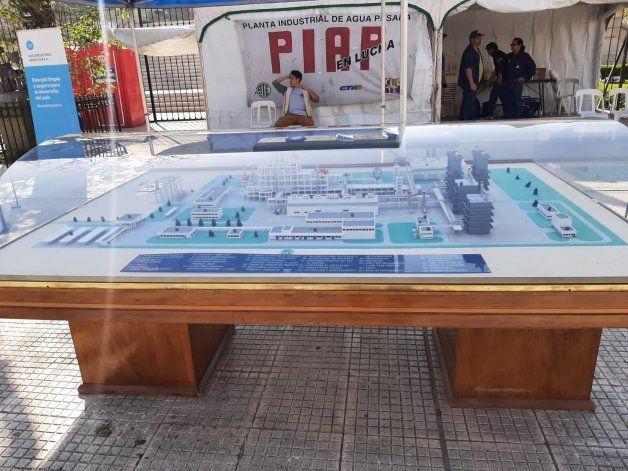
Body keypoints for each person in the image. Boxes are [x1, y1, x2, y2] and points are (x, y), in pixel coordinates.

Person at [501, 37, 536, 119]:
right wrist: (500, 76)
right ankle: (507, 118)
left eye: (514, 44)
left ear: (519, 45)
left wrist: (524, 77)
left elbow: (532, 68)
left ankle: (518, 119)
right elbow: (501, 67)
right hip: (507, 82)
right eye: (511, 44)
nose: (511, 46)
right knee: (506, 102)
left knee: (517, 101)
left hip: (517, 83)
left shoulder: (525, 56)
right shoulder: (508, 56)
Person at [457, 30, 484, 121]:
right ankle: (465, 120)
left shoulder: (475, 49)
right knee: (468, 101)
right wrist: (471, 82)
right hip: (469, 82)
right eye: (477, 38)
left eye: (480, 38)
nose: (480, 40)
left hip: (474, 80)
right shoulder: (469, 52)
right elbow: (468, 68)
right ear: (471, 40)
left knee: (471, 101)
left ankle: (469, 119)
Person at [483, 42, 506, 118]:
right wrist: (490, 81)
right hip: (503, 79)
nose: (488, 53)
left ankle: (489, 114)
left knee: (493, 96)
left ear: (492, 49)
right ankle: (508, 113)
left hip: (502, 80)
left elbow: (499, 69)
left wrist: (491, 81)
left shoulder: (496, 55)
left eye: (488, 51)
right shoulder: (500, 54)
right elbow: (496, 71)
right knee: (502, 97)